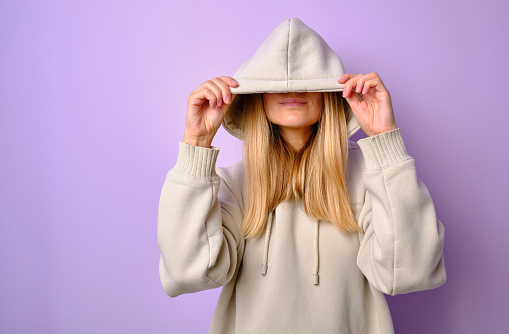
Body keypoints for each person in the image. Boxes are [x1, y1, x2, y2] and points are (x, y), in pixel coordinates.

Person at [157, 18, 446, 333]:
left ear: (329, 94)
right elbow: (187, 272)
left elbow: (410, 271)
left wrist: (385, 139)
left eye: (308, 80)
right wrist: (195, 144)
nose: (292, 88)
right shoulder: (234, 184)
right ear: (258, 95)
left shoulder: (370, 177)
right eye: (277, 83)